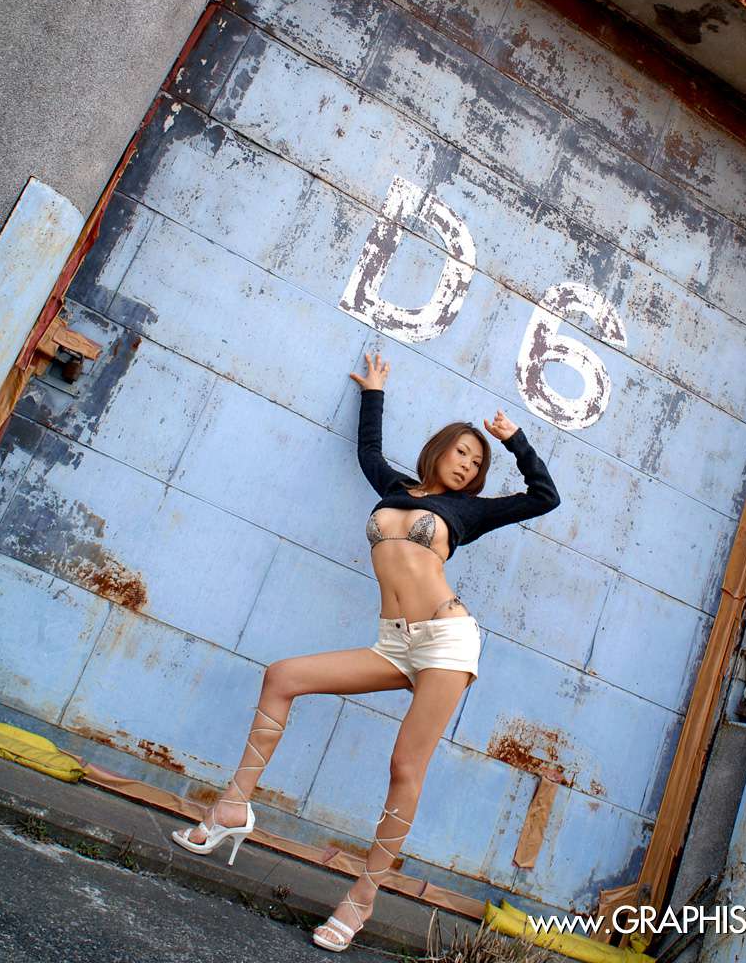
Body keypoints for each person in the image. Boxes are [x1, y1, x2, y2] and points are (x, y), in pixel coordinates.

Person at [172, 352, 560, 951]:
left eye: (477, 462)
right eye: (462, 452)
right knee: (282, 676)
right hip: (393, 642)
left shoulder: (472, 513)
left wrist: (515, 441)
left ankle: (362, 899)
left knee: (405, 767)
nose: (468, 465)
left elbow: (544, 497)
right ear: (439, 451)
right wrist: (373, 391)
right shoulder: (395, 487)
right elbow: (368, 452)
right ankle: (232, 807)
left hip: (446, 642)